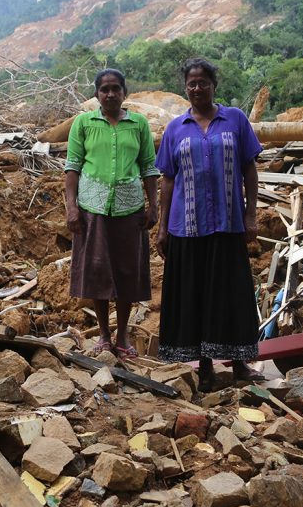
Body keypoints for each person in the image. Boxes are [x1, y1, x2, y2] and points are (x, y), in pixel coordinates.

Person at [155, 57, 262, 391]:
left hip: (228, 223)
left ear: (214, 84)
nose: (197, 88)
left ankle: (241, 364)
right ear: (185, 88)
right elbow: (168, 181)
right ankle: (204, 369)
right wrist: (161, 228)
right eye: (191, 83)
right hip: (186, 228)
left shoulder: (235, 120)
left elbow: (249, 170)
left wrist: (251, 214)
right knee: (196, 295)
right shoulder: (176, 129)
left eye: (203, 82)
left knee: (231, 293)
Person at [65, 68, 160, 359]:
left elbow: (148, 167)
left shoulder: (139, 124)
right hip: (92, 208)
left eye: (115, 88)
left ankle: (122, 338)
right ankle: (104, 336)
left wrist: (153, 205)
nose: (109, 94)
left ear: (124, 92)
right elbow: (72, 167)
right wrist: (72, 207)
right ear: (96, 95)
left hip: (129, 208)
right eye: (104, 89)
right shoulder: (83, 123)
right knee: (97, 271)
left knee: (127, 273)